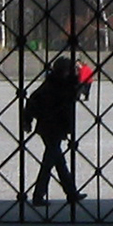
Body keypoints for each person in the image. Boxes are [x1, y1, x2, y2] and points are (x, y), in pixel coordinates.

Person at [22, 55, 86, 207]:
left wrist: (28, 120)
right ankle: (40, 195)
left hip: (50, 127)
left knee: (57, 161)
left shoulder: (55, 84)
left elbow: (33, 101)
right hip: (52, 127)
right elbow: (36, 101)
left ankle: (70, 193)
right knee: (50, 162)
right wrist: (28, 120)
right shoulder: (58, 86)